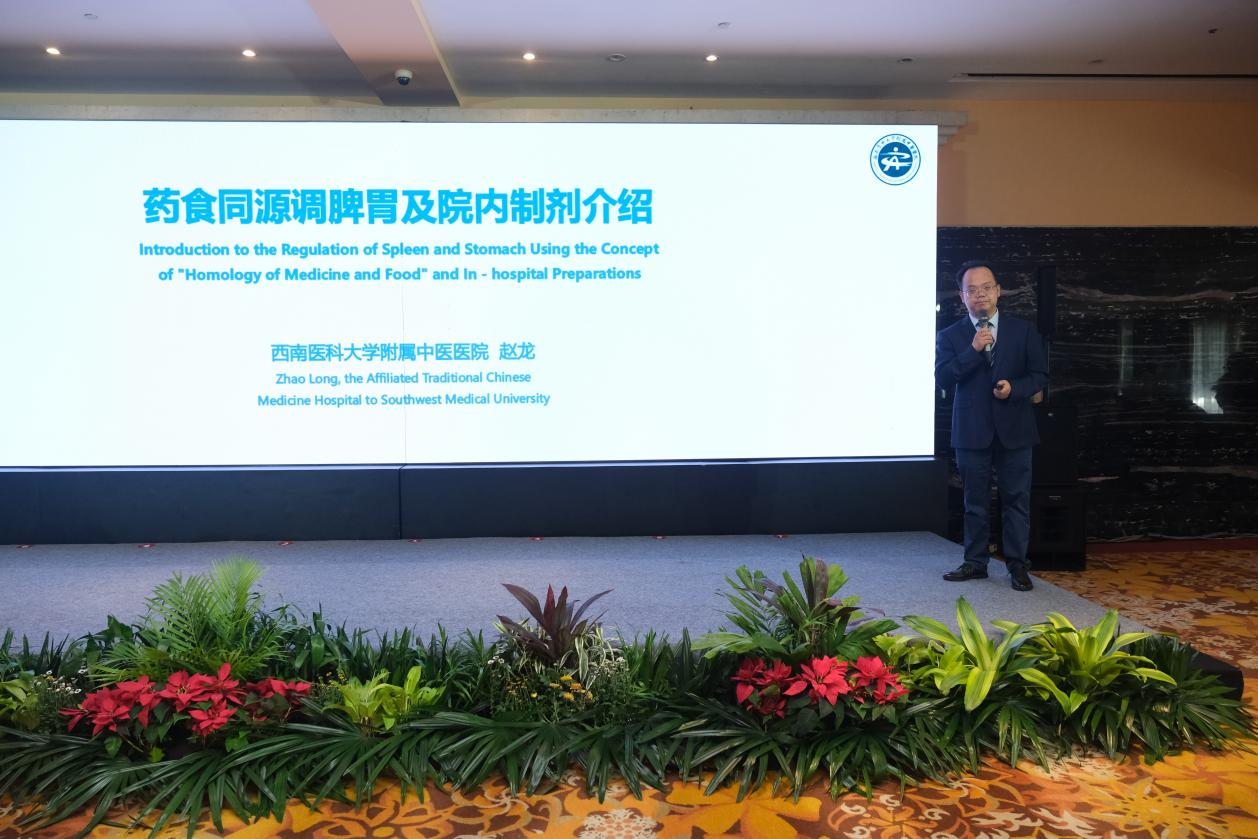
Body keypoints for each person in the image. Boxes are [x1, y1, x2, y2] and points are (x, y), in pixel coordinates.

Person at [935, 261, 1049, 591]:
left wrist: (1015, 389)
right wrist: (973, 350)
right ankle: (975, 563)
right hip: (972, 431)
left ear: (998, 291)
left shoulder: (1023, 330)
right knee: (974, 502)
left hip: (1016, 428)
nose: (980, 294)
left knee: (1016, 501)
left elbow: (1039, 375)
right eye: (972, 290)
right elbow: (943, 378)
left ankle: (1018, 566)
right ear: (962, 296)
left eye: (986, 288)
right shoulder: (950, 335)